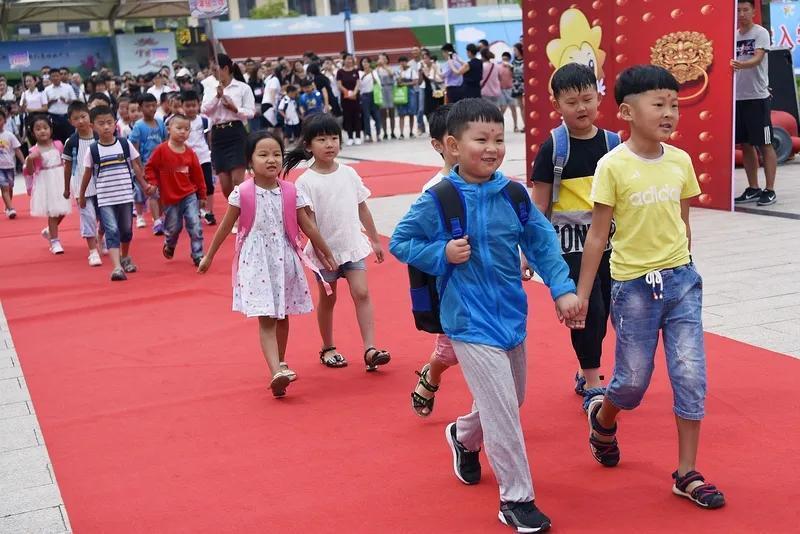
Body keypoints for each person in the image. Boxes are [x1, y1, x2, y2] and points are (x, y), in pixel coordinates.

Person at [389, 98, 580, 533]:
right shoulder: (438, 198)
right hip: (467, 322)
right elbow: (401, 241)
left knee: (511, 401)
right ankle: (517, 499)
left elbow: (542, 241)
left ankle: (463, 436)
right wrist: (441, 253)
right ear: (454, 146)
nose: (492, 148)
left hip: (511, 317)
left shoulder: (513, 193)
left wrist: (562, 289)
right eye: (481, 139)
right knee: (504, 412)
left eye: (499, 139)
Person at [572, 65, 726, 510]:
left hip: (681, 282)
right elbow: (597, 236)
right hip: (633, 288)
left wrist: (687, 268)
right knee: (632, 383)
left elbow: (683, 223)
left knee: (690, 376)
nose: (669, 113)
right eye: (658, 104)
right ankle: (604, 418)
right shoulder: (611, 166)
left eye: (674, 105)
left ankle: (686, 473)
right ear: (626, 110)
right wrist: (582, 295)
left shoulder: (679, 160)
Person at [198, 131, 335, 398]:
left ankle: (280, 364)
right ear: (250, 161)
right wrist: (209, 255)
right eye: (263, 155)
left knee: (282, 315)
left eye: (276, 154)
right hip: (257, 262)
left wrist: (325, 251)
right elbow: (225, 227)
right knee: (267, 317)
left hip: (284, 259)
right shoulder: (243, 193)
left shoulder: (290, 192)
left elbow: (307, 225)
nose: (271, 160)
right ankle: (275, 370)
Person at [531, 63, 617, 409]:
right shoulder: (553, 147)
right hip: (569, 244)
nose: (581, 107)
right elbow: (538, 206)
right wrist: (529, 251)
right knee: (587, 308)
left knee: (606, 307)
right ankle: (594, 380)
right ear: (556, 105)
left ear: (599, 98)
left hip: (610, 243)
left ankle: (586, 371)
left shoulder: (613, 143)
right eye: (571, 102)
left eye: (587, 98)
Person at [284, 114, 391, 371]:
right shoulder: (305, 181)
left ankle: (370, 349)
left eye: (334, 138)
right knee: (328, 299)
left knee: (362, 292)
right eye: (322, 139)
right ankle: (328, 347)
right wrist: (323, 250)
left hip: (351, 244)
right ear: (309, 146)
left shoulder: (349, 173)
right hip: (324, 251)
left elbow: (362, 207)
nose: (330, 144)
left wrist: (375, 240)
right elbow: (307, 223)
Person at [409, 104, 456, 416]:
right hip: (451, 283)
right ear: (440, 145)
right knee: (450, 352)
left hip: (491, 280)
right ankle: (432, 374)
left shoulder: (493, 180)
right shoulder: (432, 191)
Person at [78, 106, 151, 281]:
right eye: (101, 123)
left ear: (115, 123)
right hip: (105, 198)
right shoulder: (93, 150)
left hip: (125, 196)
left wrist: (144, 185)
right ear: (93, 125)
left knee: (126, 230)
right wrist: (82, 195)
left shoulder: (124, 144)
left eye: (109, 123)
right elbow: (87, 174)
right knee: (111, 230)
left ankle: (125, 257)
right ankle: (117, 267)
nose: (106, 127)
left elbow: (136, 166)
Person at [732, 0, 777, 206]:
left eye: (745, 10)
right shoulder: (732, 34)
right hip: (737, 98)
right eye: (738, 10)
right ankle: (753, 187)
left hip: (757, 98)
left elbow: (757, 59)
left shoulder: (760, 33)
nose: (741, 14)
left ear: (753, 11)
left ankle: (769, 189)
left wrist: (740, 64)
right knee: (746, 145)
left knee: (765, 143)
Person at [145, 114, 206, 266]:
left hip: (189, 194)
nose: (182, 132)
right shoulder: (161, 150)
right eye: (178, 128)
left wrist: (202, 195)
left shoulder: (190, 153)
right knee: (174, 227)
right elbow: (150, 167)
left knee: (195, 223)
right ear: (168, 129)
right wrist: (152, 182)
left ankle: (198, 254)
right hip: (170, 197)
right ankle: (170, 244)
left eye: (187, 129)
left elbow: (198, 175)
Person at [202, 53, 256, 201]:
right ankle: (235, 208)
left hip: (236, 133)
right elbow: (205, 110)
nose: (212, 73)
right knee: (225, 185)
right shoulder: (210, 88)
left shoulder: (242, 88)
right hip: (218, 135)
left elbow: (251, 112)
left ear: (225, 68)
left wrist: (235, 109)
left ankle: (242, 216)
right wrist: (217, 97)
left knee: (237, 181)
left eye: (215, 70)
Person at [62, 101, 103, 267]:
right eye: (76, 118)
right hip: (81, 186)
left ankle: (102, 239)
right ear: (71, 122)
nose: (81, 121)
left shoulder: (99, 136)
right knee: (88, 218)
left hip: (102, 184)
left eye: (83, 116)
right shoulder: (71, 142)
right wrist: (67, 188)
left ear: (89, 116)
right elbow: (67, 167)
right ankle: (92, 251)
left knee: (105, 216)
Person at [24, 114, 72, 253]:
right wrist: (30, 159)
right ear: (33, 132)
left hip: (60, 178)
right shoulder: (34, 150)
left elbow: (64, 161)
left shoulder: (58, 144)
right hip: (46, 181)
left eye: (45, 127)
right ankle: (55, 241)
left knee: (63, 209)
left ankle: (49, 230)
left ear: (51, 129)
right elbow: (31, 171)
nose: (42, 131)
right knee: (53, 211)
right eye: (38, 129)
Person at [129, 93, 167, 232]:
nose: (151, 108)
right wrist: (140, 167)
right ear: (141, 108)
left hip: (161, 165)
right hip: (146, 164)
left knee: (162, 193)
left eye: (153, 105)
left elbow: (165, 142)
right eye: (147, 106)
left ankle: (160, 217)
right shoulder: (138, 126)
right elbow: (135, 149)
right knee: (152, 193)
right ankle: (157, 221)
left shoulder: (161, 123)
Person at [181, 90, 216, 226]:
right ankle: (194, 212)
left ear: (198, 105)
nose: (191, 109)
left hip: (203, 157)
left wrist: (211, 155)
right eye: (187, 106)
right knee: (190, 187)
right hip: (186, 159)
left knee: (208, 185)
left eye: (193, 105)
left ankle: (209, 212)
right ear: (182, 106)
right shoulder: (178, 121)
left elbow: (209, 139)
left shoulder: (204, 120)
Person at [0, 109, 25, 219]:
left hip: (9, 165)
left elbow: (17, 150)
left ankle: (7, 206)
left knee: (10, 187)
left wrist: (24, 162)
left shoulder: (9, 135)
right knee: (4, 187)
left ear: (5, 121)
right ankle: (11, 208)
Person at [336, 54, 363, 146]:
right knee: (347, 117)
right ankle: (350, 137)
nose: (349, 61)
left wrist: (354, 93)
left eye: (351, 59)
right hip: (345, 98)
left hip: (355, 97)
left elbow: (358, 83)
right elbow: (339, 85)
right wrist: (347, 93)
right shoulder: (340, 72)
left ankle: (358, 136)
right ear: (344, 60)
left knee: (357, 117)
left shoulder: (356, 71)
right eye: (348, 59)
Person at [44, 68, 75, 143]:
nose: (55, 78)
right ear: (50, 78)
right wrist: (50, 102)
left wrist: (66, 101)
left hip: (67, 116)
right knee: (56, 139)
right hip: (53, 117)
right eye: (53, 76)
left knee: (69, 138)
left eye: (57, 76)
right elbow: (44, 105)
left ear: (60, 76)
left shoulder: (68, 87)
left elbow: (74, 101)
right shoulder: (47, 89)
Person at [358, 57, 382, 143]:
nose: (365, 64)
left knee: (377, 115)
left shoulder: (374, 72)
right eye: (363, 62)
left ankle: (378, 134)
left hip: (373, 95)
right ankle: (368, 135)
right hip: (364, 96)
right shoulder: (359, 73)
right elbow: (359, 85)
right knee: (366, 116)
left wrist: (371, 73)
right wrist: (365, 74)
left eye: (367, 62)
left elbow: (378, 84)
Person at [395, 56, 419, 139]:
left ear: (406, 62)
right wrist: (401, 73)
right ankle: (401, 133)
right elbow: (398, 82)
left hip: (411, 92)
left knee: (411, 113)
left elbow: (415, 82)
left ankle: (411, 132)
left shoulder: (412, 71)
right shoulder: (398, 71)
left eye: (404, 61)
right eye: (401, 62)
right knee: (401, 114)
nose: (402, 63)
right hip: (401, 94)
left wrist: (405, 84)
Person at [499, 52, 521, 132]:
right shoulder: (499, 67)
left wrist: (511, 66)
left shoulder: (512, 67)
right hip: (502, 90)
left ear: (509, 59)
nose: (504, 61)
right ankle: (499, 126)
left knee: (513, 109)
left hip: (510, 89)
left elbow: (517, 75)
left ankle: (515, 126)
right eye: (503, 59)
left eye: (506, 59)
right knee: (503, 108)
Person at [375, 54, 396, 139]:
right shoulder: (377, 69)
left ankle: (392, 132)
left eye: (383, 59)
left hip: (390, 89)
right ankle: (385, 133)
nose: (381, 60)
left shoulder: (389, 68)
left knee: (392, 112)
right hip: (381, 90)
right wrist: (378, 66)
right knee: (383, 113)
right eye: (380, 59)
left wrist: (384, 66)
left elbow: (391, 74)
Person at [421, 49, 445, 120]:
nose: (424, 60)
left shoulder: (436, 66)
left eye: (425, 58)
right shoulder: (424, 68)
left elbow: (439, 79)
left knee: (438, 109)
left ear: (429, 58)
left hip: (437, 90)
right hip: (428, 91)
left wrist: (434, 72)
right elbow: (427, 77)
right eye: (423, 58)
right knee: (427, 111)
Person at [511, 43, 525, 116]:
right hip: (516, 86)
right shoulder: (513, 62)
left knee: (526, 106)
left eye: (515, 50)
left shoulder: (525, 61)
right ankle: (525, 125)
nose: (514, 52)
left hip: (524, 86)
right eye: (513, 50)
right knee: (521, 107)